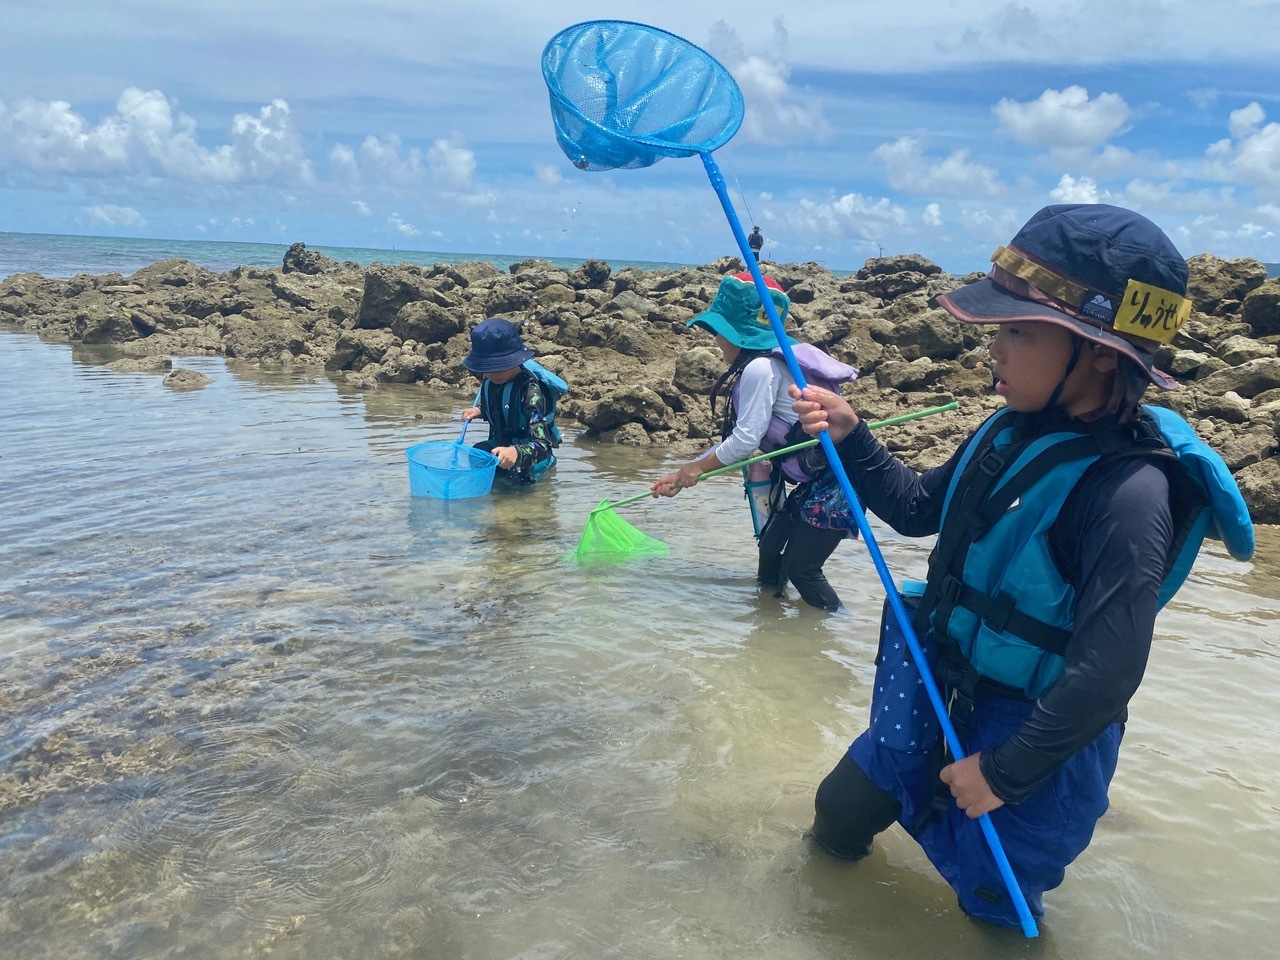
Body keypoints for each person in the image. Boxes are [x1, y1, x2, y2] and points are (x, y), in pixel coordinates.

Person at [789, 204, 1255, 929]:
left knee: (993, 905)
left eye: (1016, 331)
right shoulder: (1011, 430)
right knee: (841, 809)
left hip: (1034, 732)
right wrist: (853, 438)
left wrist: (1004, 773)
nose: (993, 350)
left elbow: (1109, 669)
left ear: (1100, 351)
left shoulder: (1129, 492)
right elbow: (917, 510)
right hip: (941, 687)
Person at [650, 272, 858, 610]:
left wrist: (696, 469)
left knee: (802, 569)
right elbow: (743, 437)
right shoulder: (773, 363)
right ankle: (768, 625)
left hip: (842, 480)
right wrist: (682, 474)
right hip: (820, 479)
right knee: (771, 547)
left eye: (719, 331)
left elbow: (745, 441)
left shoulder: (761, 369)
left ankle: (842, 629)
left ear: (737, 334)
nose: (717, 340)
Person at [461, 317, 563, 484]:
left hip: (535, 453)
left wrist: (517, 452)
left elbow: (543, 445)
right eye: (487, 368)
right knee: (478, 453)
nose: (493, 373)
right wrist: (479, 410)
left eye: (499, 366)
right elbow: (497, 405)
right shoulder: (492, 381)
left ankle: (516, 507)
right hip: (503, 444)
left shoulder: (531, 393)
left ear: (516, 359)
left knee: (517, 472)